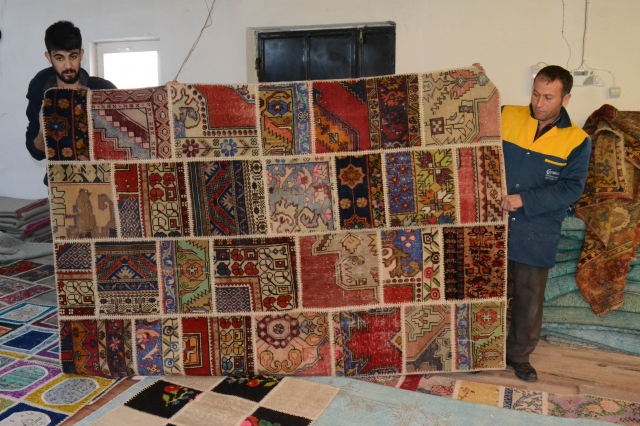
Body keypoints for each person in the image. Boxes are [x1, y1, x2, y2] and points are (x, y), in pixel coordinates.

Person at [501, 65, 591, 382]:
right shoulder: (506, 114)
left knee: (528, 297)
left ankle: (519, 357)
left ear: (565, 98)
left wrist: (525, 200)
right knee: (485, 289)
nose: (539, 103)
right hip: (492, 224)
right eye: (536, 94)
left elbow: (571, 188)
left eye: (548, 97)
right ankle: (482, 350)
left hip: (536, 229)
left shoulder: (578, 140)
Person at [25, 21, 116, 176]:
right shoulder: (40, 92)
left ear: (81, 54)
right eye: (60, 58)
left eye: (73, 56)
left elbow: (125, 137)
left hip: (103, 178)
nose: (68, 65)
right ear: (49, 57)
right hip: (60, 181)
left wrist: (95, 106)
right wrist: (42, 131)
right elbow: (37, 153)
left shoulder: (103, 89)